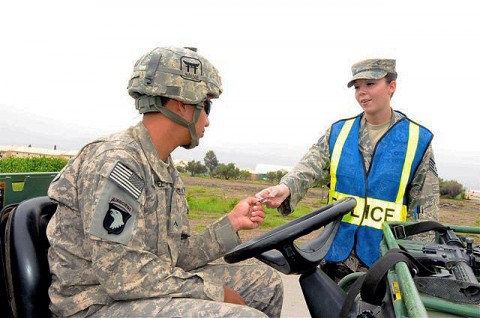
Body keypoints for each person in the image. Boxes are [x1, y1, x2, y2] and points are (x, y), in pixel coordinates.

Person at [47, 47, 283, 317]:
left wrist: (231, 224)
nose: (207, 119)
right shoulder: (119, 162)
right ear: (183, 103)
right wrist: (213, 291)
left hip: (135, 291)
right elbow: (122, 273)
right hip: (95, 304)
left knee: (266, 284)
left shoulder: (163, 168)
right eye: (205, 106)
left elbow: (172, 258)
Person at [257, 59, 440, 280]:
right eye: (357, 87)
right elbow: (309, 167)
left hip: (383, 261)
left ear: (391, 86)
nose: (362, 92)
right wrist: (285, 187)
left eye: (370, 84)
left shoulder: (417, 139)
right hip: (334, 254)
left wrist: (417, 267)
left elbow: (425, 208)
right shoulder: (339, 132)